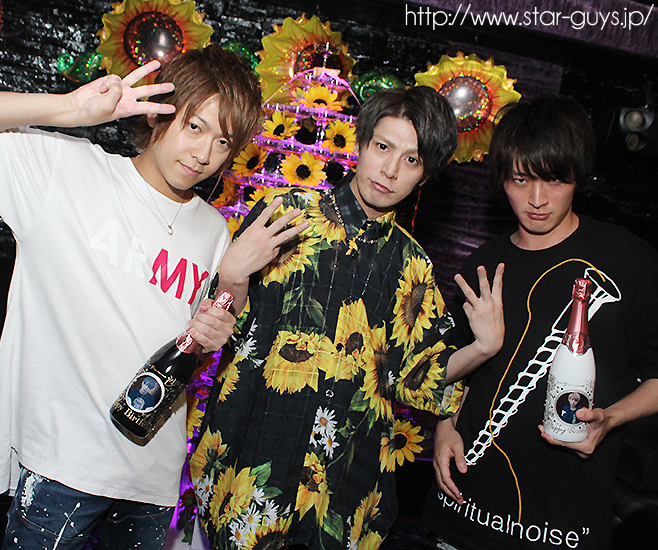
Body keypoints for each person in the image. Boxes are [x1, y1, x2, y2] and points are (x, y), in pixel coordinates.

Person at [0, 45, 265, 550]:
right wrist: (68, 109)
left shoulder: (213, 229)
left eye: (223, 141)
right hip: (63, 466)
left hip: (152, 479)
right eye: (195, 126)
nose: (204, 154)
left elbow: (185, 344)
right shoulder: (68, 171)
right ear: (158, 113)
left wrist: (215, 327)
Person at [189, 87, 504, 550]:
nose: (390, 170)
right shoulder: (286, 217)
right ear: (361, 142)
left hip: (341, 486)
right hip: (251, 456)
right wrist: (229, 280)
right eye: (383, 146)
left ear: (425, 174)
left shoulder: (413, 267)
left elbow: (416, 380)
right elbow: (218, 322)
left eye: (411, 160)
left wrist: (483, 348)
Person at [422, 96, 658, 550]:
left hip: (561, 530)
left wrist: (611, 419)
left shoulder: (630, 261)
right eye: (520, 179)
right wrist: (446, 425)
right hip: (463, 518)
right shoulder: (482, 265)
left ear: (578, 176)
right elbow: (450, 369)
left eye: (554, 179)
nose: (536, 200)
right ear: (501, 178)